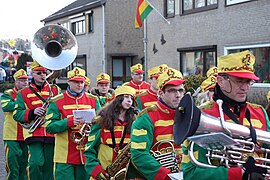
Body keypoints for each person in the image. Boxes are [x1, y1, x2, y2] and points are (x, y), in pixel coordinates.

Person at [182, 50, 270, 179]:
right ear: (221, 81)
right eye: (239, 81)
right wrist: (239, 174)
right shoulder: (201, 115)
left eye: (248, 82)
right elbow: (191, 173)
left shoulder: (259, 112)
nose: (245, 87)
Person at [45, 67, 101, 180]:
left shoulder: (93, 100)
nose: (79, 85)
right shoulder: (56, 101)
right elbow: (49, 127)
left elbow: (100, 124)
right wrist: (68, 122)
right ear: (69, 81)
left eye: (81, 82)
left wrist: (92, 129)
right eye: (76, 82)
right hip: (64, 156)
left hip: (87, 154)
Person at [130, 67, 185, 179]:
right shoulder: (146, 117)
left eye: (180, 90)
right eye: (172, 91)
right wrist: (165, 176)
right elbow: (139, 154)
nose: (178, 95)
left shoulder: (190, 114)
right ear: (160, 93)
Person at [13, 61, 61, 180]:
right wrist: (32, 112)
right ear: (32, 74)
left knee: (49, 166)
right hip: (33, 133)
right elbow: (16, 114)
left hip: (51, 132)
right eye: (38, 73)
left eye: (44, 72)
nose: (42, 75)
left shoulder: (55, 90)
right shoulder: (23, 93)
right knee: (35, 163)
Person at [84, 85, 137, 179]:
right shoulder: (100, 121)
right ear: (117, 99)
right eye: (126, 97)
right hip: (104, 171)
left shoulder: (135, 122)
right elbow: (89, 151)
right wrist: (97, 171)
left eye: (131, 98)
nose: (129, 100)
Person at [1, 69, 29, 180]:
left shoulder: (30, 94)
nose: (25, 83)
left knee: (25, 164)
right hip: (12, 134)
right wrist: (23, 101)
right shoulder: (8, 94)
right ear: (16, 82)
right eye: (22, 81)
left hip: (27, 134)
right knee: (12, 164)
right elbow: (6, 106)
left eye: (26, 80)